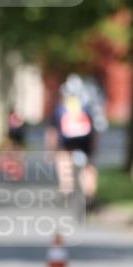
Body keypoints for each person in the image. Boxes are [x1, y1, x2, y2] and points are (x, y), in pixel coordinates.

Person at [46, 74, 99, 206]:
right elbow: (94, 132)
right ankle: (90, 193)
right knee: (89, 167)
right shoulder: (87, 109)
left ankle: (66, 188)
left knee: (63, 158)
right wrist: (93, 152)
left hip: (67, 143)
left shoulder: (61, 110)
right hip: (85, 142)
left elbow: (53, 133)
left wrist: (50, 151)